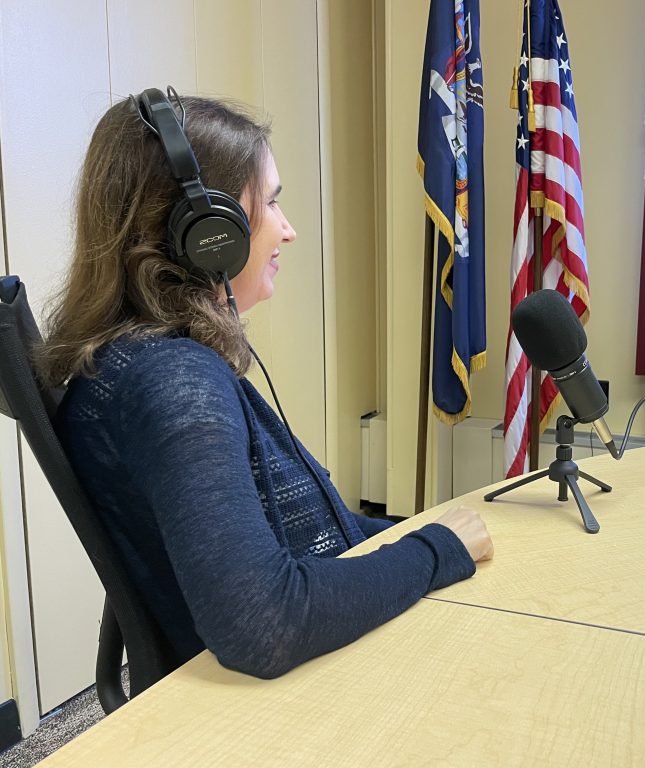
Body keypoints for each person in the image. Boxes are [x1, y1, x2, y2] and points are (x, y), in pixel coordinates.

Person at [36, 88, 493, 679]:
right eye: (271, 204)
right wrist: (436, 551)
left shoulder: (146, 360)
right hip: (280, 702)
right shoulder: (173, 381)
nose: (288, 230)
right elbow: (263, 624)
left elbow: (314, 539)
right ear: (206, 234)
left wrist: (421, 536)